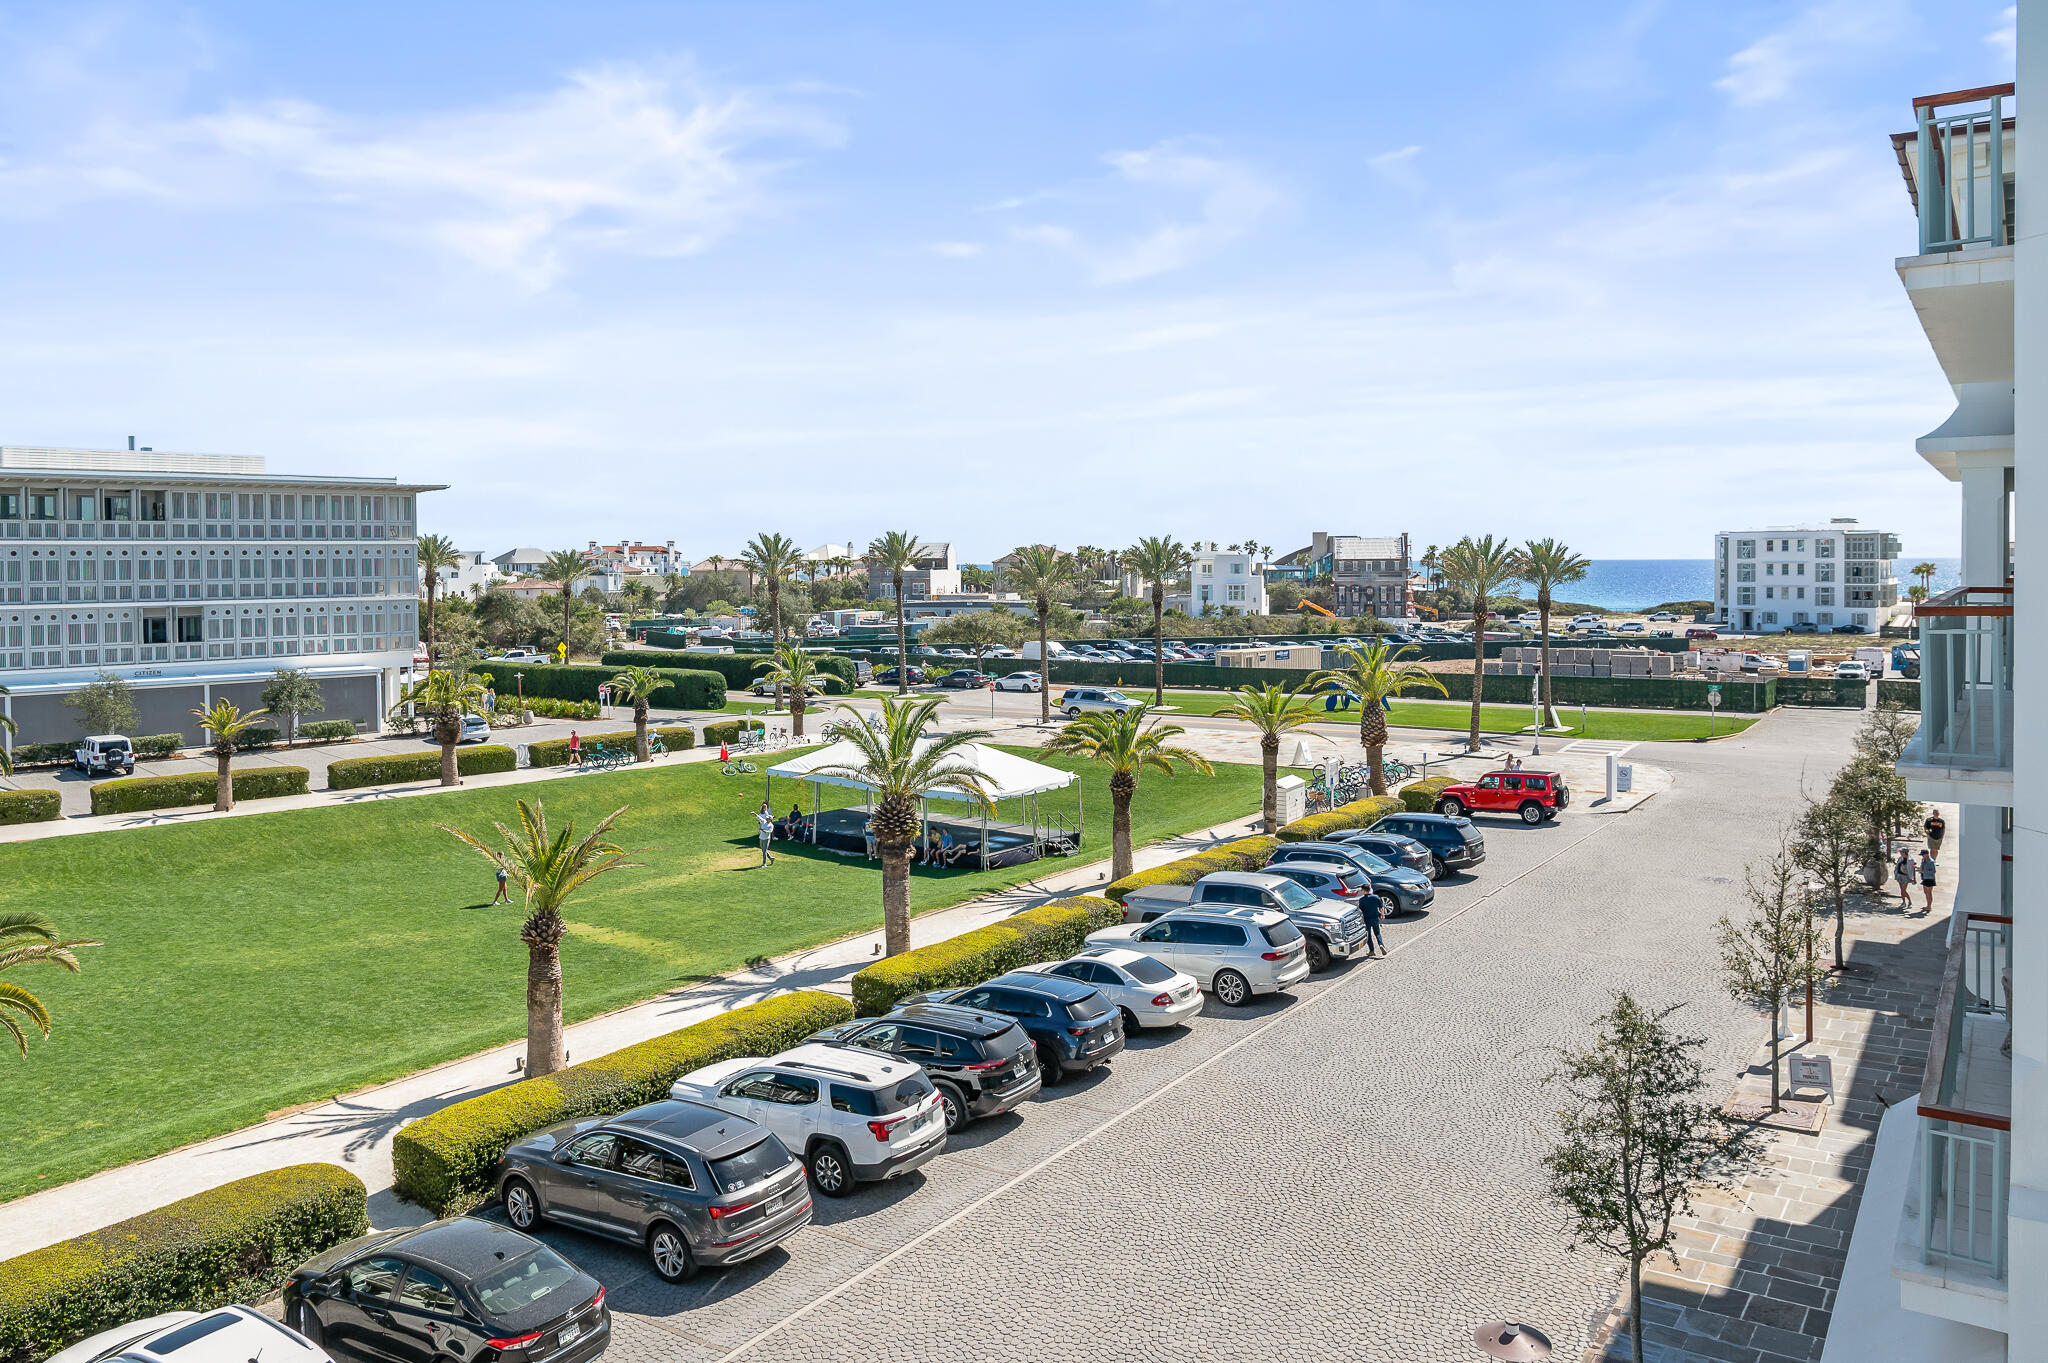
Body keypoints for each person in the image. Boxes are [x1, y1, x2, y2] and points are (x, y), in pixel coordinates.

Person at [1359, 890, 1386, 958]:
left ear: (1364, 891)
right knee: (1377, 933)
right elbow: (1381, 907)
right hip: (1375, 918)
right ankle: (1381, 944)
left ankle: (1372, 951)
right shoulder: (1376, 897)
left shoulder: (1362, 899)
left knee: (1368, 935)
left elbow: (1360, 910)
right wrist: (1382, 915)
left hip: (1366, 919)